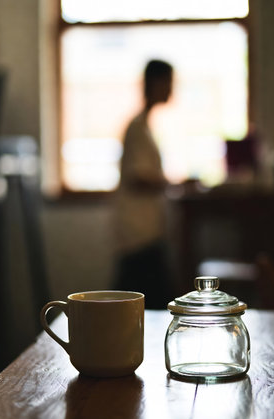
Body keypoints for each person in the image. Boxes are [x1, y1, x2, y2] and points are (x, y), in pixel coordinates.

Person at [113, 59, 175, 309]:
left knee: (139, 298)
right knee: (140, 300)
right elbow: (138, 177)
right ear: (155, 84)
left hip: (145, 230)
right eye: (169, 83)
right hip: (139, 232)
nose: (171, 89)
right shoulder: (137, 128)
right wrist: (167, 182)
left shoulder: (143, 126)